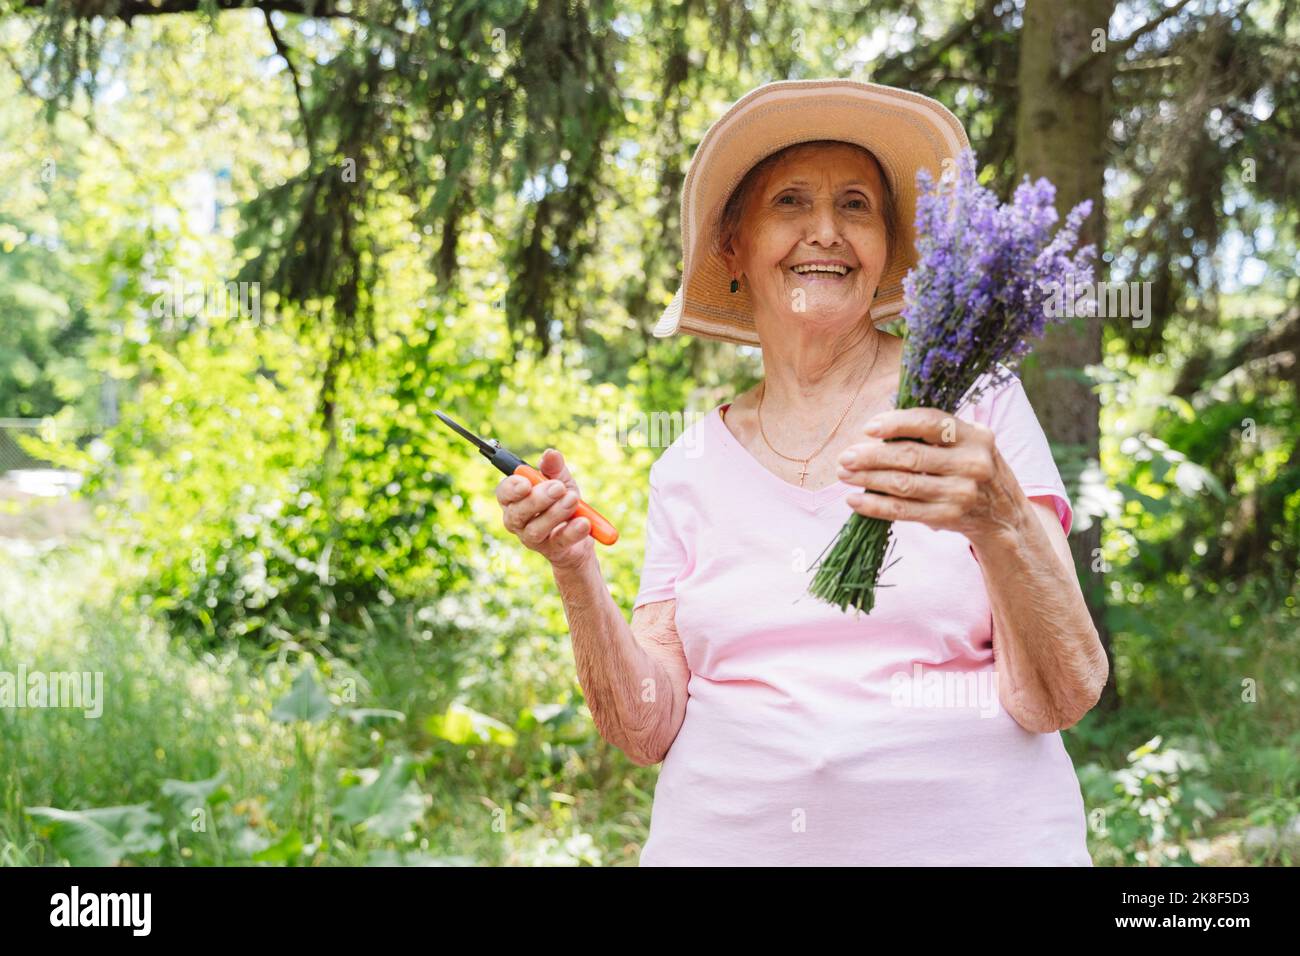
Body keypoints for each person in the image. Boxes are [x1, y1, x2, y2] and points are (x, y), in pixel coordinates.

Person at [495, 78, 1108, 865]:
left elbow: (1060, 693)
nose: (826, 231)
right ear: (733, 248)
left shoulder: (970, 406)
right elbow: (646, 730)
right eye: (791, 203)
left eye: (856, 206)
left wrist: (1002, 518)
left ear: (887, 247)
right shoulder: (687, 467)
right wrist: (575, 568)